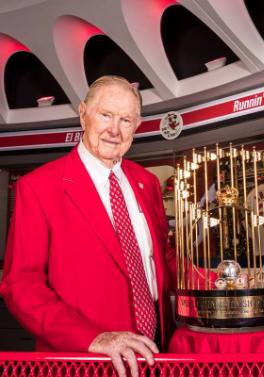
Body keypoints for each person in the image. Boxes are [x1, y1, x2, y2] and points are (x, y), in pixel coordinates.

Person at [0, 76, 175, 377]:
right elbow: (21, 285)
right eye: (105, 115)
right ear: (83, 114)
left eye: (125, 120)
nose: (114, 130)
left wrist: (218, 280)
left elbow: (161, 259)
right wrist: (91, 339)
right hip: (83, 361)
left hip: (155, 355)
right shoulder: (38, 188)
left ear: (136, 126)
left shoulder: (147, 183)